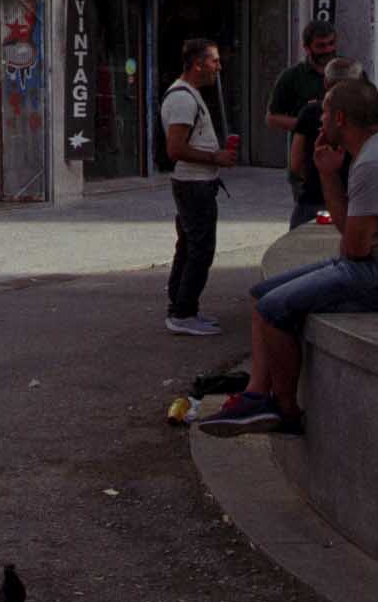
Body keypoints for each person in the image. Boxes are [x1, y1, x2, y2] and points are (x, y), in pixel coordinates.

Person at [202, 76, 378, 435]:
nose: (320, 120)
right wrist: (328, 176)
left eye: (325, 112)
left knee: (274, 309)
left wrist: (334, 190)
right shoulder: (366, 157)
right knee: (260, 296)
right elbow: (353, 240)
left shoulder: (370, 165)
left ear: (340, 119)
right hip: (361, 263)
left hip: (370, 272)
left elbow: (356, 249)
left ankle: (283, 411)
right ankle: (255, 397)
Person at [161, 39, 237, 337]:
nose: (219, 67)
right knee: (200, 250)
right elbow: (175, 148)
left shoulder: (189, 95)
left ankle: (181, 307)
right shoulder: (182, 98)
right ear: (197, 64)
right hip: (193, 184)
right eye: (214, 61)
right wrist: (214, 157)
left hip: (198, 183)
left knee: (189, 246)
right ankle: (183, 313)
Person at [267, 17, 340, 212]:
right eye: (321, 45)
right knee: (309, 216)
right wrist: (305, 122)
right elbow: (272, 117)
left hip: (341, 160)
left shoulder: (347, 72)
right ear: (307, 48)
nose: (328, 50)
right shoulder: (291, 77)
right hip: (306, 163)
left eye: (331, 43)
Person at [287, 57, 363, 230]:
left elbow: (295, 164)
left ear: (326, 82)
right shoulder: (365, 118)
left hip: (313, 202)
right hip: (353, 205)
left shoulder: (311, 111)